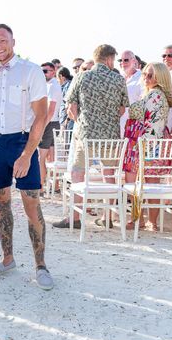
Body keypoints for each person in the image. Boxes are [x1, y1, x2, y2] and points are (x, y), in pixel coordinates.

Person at [0, 23, 52, 290]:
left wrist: (26, 155)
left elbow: (42, 116)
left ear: (13, 41)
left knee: (31, 204)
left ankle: (41, 265)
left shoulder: (30, 71)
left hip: (23, 141)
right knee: (1, 202)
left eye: (2, 40)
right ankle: (7, 259)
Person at [53, 44, 129, 229]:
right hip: (110, 136)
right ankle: (108, 217)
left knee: (78, 172)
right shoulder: (119, 80)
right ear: (110, 59)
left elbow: (70, 108)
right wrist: (107, 120)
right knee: (109, 174)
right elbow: (122, 109)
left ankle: (75, 218)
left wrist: (81, 121)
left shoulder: (81, 76)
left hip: (85, 134)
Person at [122, 62, 172, 230]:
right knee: (153, 184)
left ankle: (138, 219)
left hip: (144, 145)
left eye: (150, 75)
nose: (145, 77)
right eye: (144, 74)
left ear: (160, 78)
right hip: (154, 144)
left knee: (135, 182)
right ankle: (151, 221)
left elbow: (135, 113)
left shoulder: (154, 95)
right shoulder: (157, 94)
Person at [38, 62, 63, 193]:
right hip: (53, 123)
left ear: (53, 72)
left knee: (41, 157)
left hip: (49, 122)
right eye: (41, 71)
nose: (43, 73)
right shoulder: (49, 85)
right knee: (51, 157)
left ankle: (40, 186)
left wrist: (42, 125)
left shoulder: (53, 86)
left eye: (45, 71)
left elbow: (51, 109)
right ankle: (56, 186)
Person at [118, 50, 143, 136]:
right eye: (120, 60)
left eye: (126, 60)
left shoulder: (142, 78)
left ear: (134, 61)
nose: (122, 63)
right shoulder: (118, 78)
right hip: (118, 127)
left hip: (134, 128)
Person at [57, 66, 73, 131]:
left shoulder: (67, 86)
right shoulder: (69, 84)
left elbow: (68, 104)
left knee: (65, 140)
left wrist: (66, 120)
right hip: (67, 120)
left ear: (61, 76)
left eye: (57, 77)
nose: (57, 80)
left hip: (66, 121)